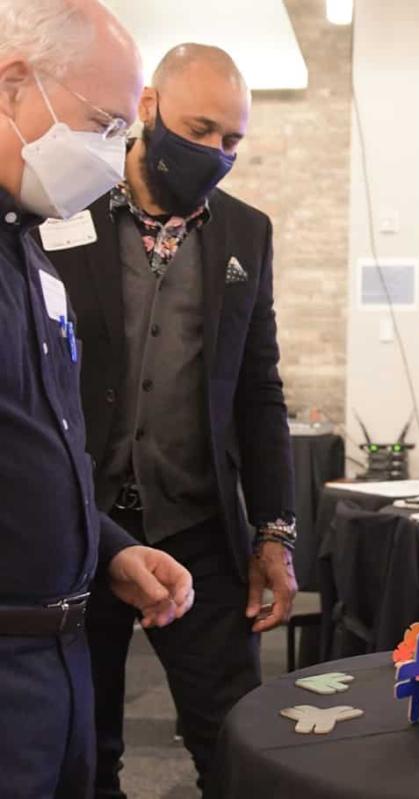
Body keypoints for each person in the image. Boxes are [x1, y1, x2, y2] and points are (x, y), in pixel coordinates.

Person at [39, 43, 297, 798]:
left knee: (236, 737)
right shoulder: (62, 208)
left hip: (197, 527)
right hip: (78, 528)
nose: (217, 152)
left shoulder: (246, 233)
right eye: (202, 128)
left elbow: (259, 391)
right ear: (148, 106)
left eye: (233, 140)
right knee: (85, 743)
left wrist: (274, 533)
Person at [0, 2, 195, 797]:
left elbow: (37, 438)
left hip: (59, 655)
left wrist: (105, 544)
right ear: (15, 84)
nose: (116, 161)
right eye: (102, 123)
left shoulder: (32, 248)